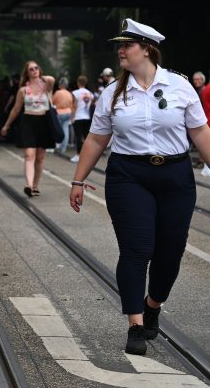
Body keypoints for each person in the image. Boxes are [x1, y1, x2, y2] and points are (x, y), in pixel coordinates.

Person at [69, 18, 210, 356]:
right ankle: (134, 323)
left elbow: (201, 133)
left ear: (147, 49)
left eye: (127, 45)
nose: (120, 49)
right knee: (136, 248)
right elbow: (97, 138)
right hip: (128, 176)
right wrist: (78, 179)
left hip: (175, 177)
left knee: (170, 252)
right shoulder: (112, 92)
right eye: (120, 44)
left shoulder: (179, 86)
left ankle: (153, 304)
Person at [0, 61, 56, 197]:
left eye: (36, 68)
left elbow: (51, 79)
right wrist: (6, 125)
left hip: (44, 122)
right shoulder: (23, 90)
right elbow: (16, 109)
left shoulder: (46, 86)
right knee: (29, 155)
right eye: (31, 69)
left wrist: (40, 78)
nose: (34, 70)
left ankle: (35, 185)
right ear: (27, 73)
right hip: (28, 123)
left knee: (40, 158)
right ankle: (29, 185)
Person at [70, 75, 94, 163]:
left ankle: (78, 155)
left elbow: (74, 106)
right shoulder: (90, 94)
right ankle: (87, 156)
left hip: (78, 117)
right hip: (87, 117)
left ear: (78, 82)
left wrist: (72, 117)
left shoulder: (75, 93)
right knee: (86, 138)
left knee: (78, 137)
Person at [52, 77, 75, 155]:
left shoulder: (58, 93)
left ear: (60, 84)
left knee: (57, 130)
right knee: (65, 130)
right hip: (68, 112)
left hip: (59, 113)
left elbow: (52, 102)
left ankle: (55, 145)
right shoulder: (69, 94)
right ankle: (63, 148)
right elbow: (72, 105)